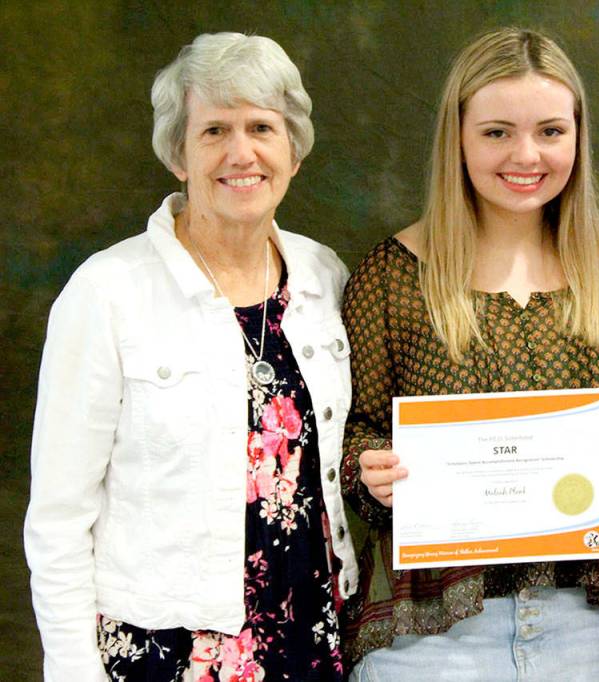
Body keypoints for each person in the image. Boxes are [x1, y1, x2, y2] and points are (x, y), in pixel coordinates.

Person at [339, 27, 599, 681]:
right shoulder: (394, 274)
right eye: (497, 132)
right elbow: (352, 438)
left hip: (582, 629)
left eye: (551, 131)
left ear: (578, 135)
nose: (527, 154)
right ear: (457, 138)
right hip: (430, 638)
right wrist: (367, 472)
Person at [24, 32, 357, 680]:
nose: (242, 152)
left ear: (293, 150)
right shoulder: (106, 293)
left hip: (310, 642)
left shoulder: (326, 277)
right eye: (213, 131)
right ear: (178, 153)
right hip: (166, 657)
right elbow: (59, 523)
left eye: (262, 126)